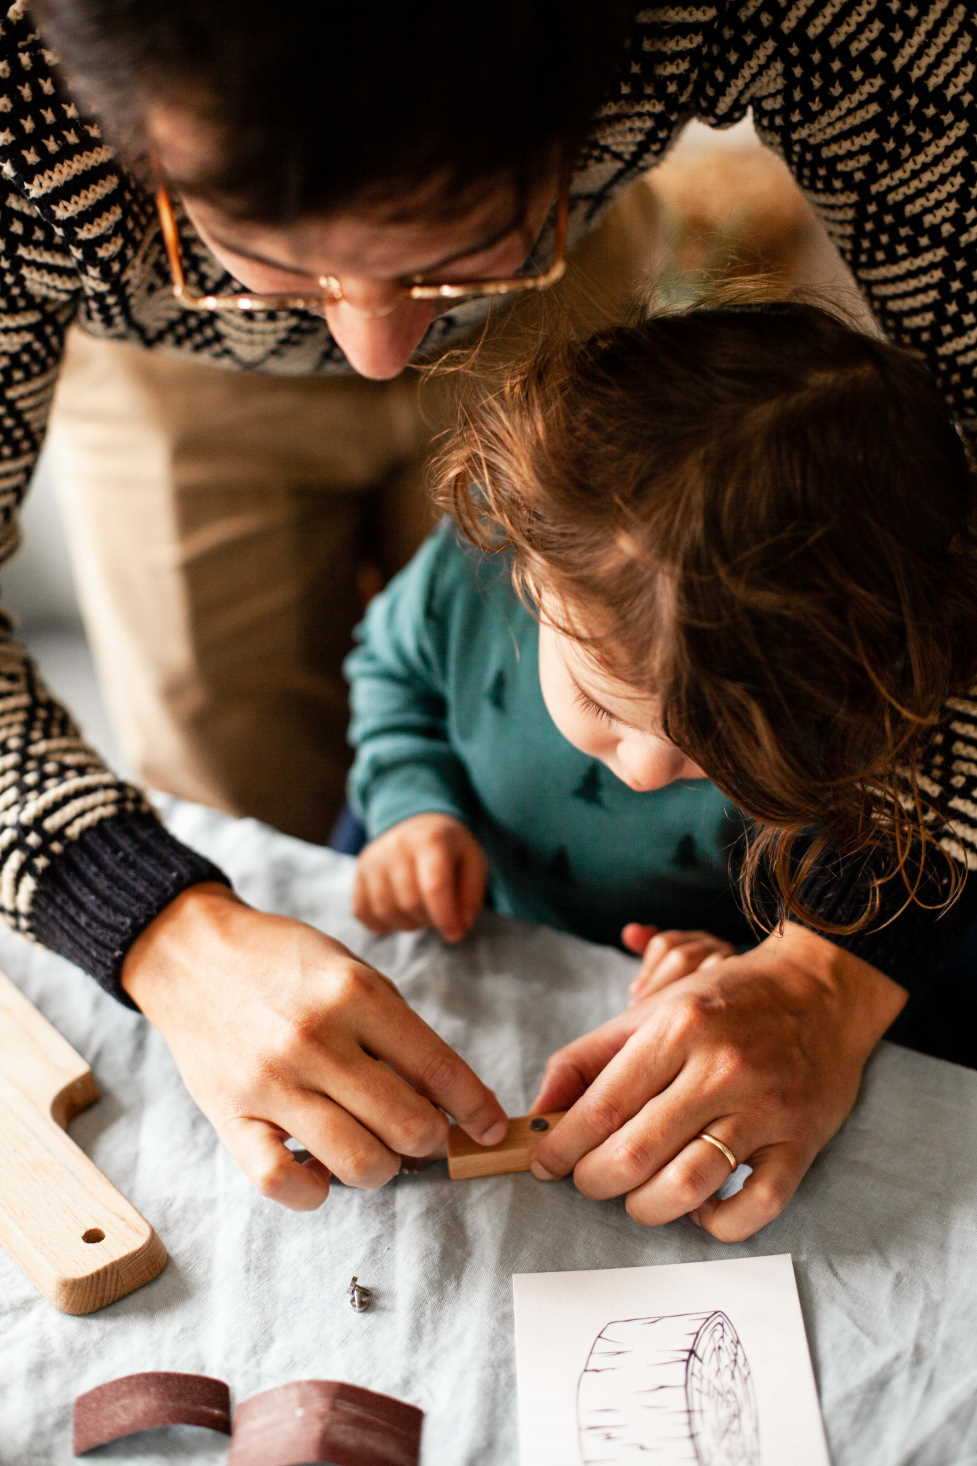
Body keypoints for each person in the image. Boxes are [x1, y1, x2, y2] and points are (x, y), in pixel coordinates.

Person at [0, 1, 972, 1222]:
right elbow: (400, 682)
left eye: (461, 246)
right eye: (263, 256)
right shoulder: (13, 107)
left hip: (565, 355)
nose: (381, 347)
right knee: (227, 749)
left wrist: (832, 966)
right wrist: (163, 931)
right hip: (182, 398)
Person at [347, 298, 977, 1237]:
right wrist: (410, 806)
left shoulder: (860, 700)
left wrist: (755, 960)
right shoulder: (477, 576)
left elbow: (881, 908)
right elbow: (393, 676)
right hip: (496, 947)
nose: (643, 770)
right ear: (527, 570)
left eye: (719, 748)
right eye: (601, 703)